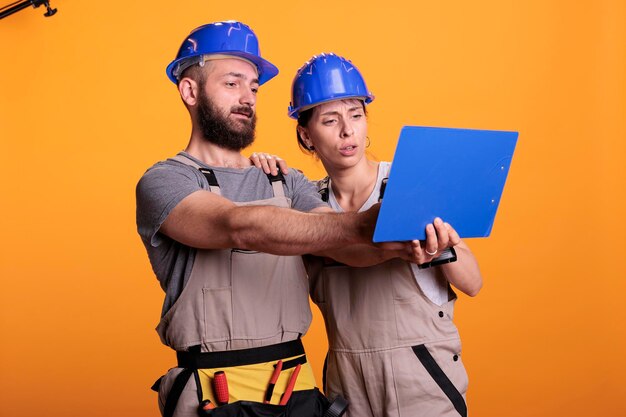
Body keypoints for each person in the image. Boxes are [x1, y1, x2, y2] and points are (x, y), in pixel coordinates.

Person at [136, 22, 422, 417]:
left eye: (254, 87)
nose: (248, 98)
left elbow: (343, 247)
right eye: (232, 83)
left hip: (298, 393)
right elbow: (238, 226)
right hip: (215, 399)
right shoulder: (165, 181)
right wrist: (361, 224)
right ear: (190, 90)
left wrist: (404, 241)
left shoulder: (283, 179)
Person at [287, 53, 483, 417]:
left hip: (423, 380)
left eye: (356, 116)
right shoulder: (307, 208)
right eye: (330, 120)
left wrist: (446, 246)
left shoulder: (408, 185)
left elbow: (473, 283)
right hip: (348, 389)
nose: (348, 131)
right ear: (306, 134)